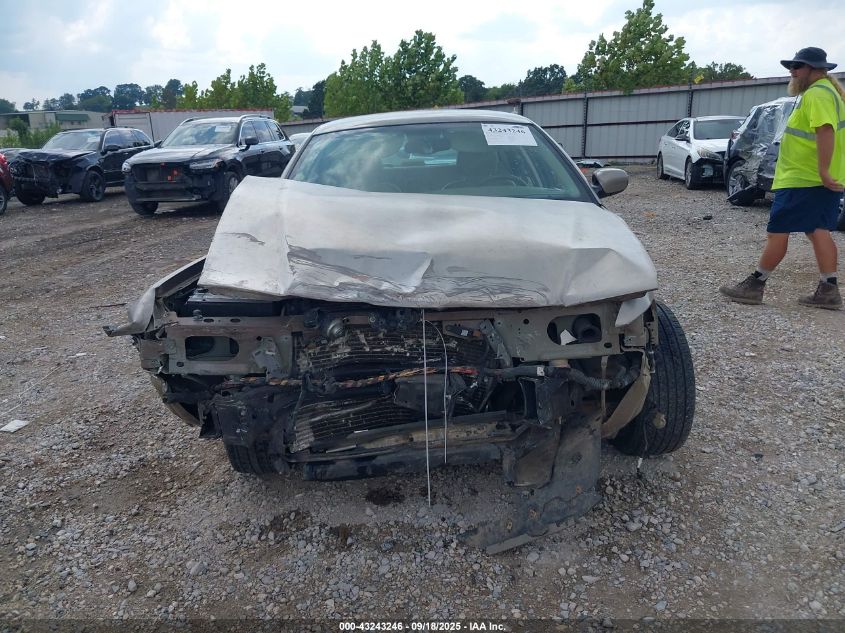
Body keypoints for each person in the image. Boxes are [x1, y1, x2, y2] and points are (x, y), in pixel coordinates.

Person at [720, 47, 845, 309]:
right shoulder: (828, 93)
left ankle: (755, 285)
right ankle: (829, 290)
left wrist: (822, 171)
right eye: (792, 66)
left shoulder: (818, 95)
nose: (792, 71)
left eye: (797, 66)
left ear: (813, 69)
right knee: (818, 230)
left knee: (778, 231)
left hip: (804, 178)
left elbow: (825, 131)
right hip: (816, 179)